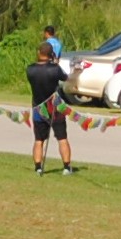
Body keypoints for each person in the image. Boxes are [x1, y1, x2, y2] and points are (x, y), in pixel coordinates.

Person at [27, 40, 75, 177]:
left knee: (38, 140)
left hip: (38, 108)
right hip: (55, 107)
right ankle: (66, 167)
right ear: (51, 54)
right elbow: (65, 78)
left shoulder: (30, 69)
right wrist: (55, 62)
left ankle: (38, 167)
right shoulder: (55, 69)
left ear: (38, 53)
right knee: (62, 138)